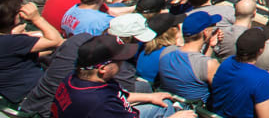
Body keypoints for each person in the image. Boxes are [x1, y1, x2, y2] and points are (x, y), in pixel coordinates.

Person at [50, 34, 193, 118]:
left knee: (163, 105)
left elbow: (118, 95)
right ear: (103, 69)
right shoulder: (99, 103)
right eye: (119, 61)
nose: (122, 63)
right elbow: (106, 104)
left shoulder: (75, 77)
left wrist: (150, 97)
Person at [0, 0, 62, 102]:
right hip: (28, 96)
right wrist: (36, 18)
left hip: (9, 93)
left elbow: (13, 57)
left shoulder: (9, 40)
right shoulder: (12, 41)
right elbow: (56, 40)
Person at [156, 10, 224, 102]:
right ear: (205, 32)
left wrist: (211, 45)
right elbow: (222, 94)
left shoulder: (167, 51)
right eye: (212, 27)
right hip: (195, 112)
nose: (213, 30)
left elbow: (197, 65)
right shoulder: (210, 64)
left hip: (170, 104)